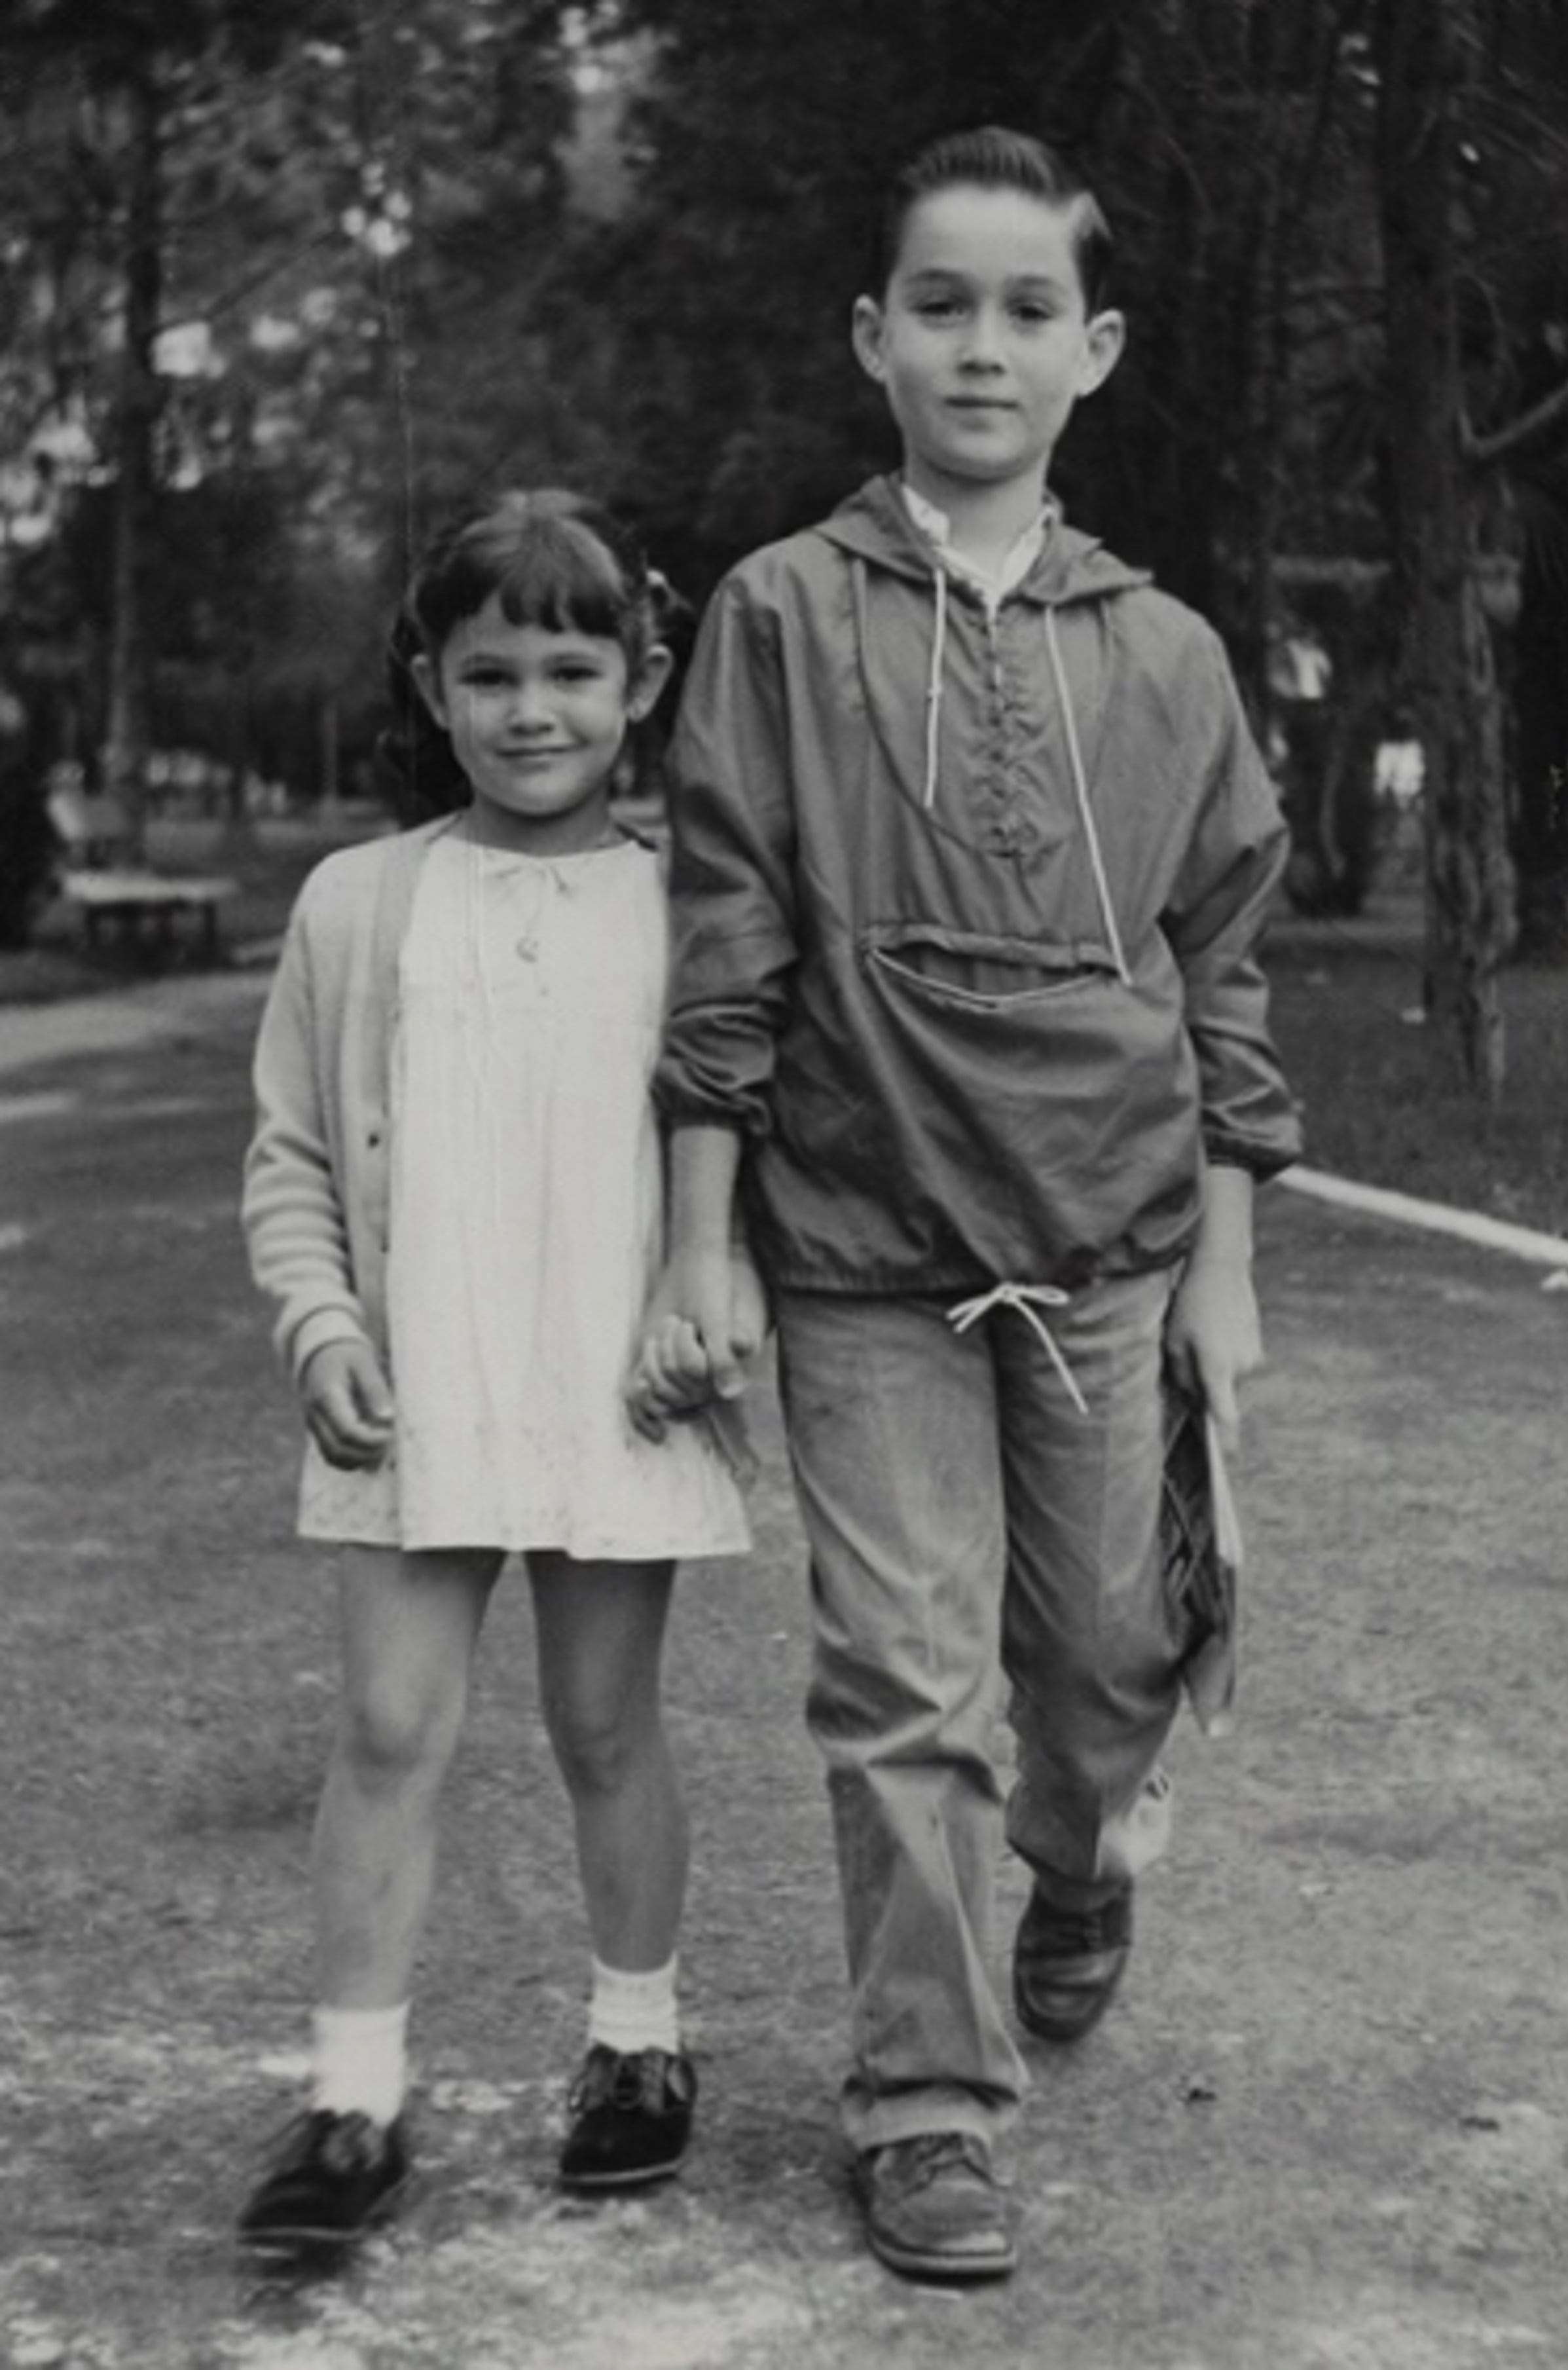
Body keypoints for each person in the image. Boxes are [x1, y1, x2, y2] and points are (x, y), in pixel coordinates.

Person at [629, 126, 1302, 2282]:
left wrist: (1227, 1278)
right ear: (873, 338)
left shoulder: (1172, 655)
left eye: (1028, 311)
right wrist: (696, 1238)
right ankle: (925, 2095)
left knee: (1103, 1664)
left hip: (1107, 1247)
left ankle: (1084, 1858)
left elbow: (1225, 979)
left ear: (1092, 351)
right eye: (942, 303)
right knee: (903, 1678)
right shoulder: (780, 616)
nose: (982, 345)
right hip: (859, 1245)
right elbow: (723, 939)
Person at [238, 488, 754, 2271]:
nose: (532, 710)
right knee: (390, 1725)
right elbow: (294, 1158)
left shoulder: (700, 902)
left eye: (571, 668)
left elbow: (749, 1141)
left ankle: (636, 2040)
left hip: (615, 1388)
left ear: (644, 677)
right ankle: (355, 2095)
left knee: (606, 1723)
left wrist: (720, 1291)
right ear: (431, 685)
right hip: (422, 1386)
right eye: (488, 673)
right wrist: (324, 1326)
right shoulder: (360, 902)